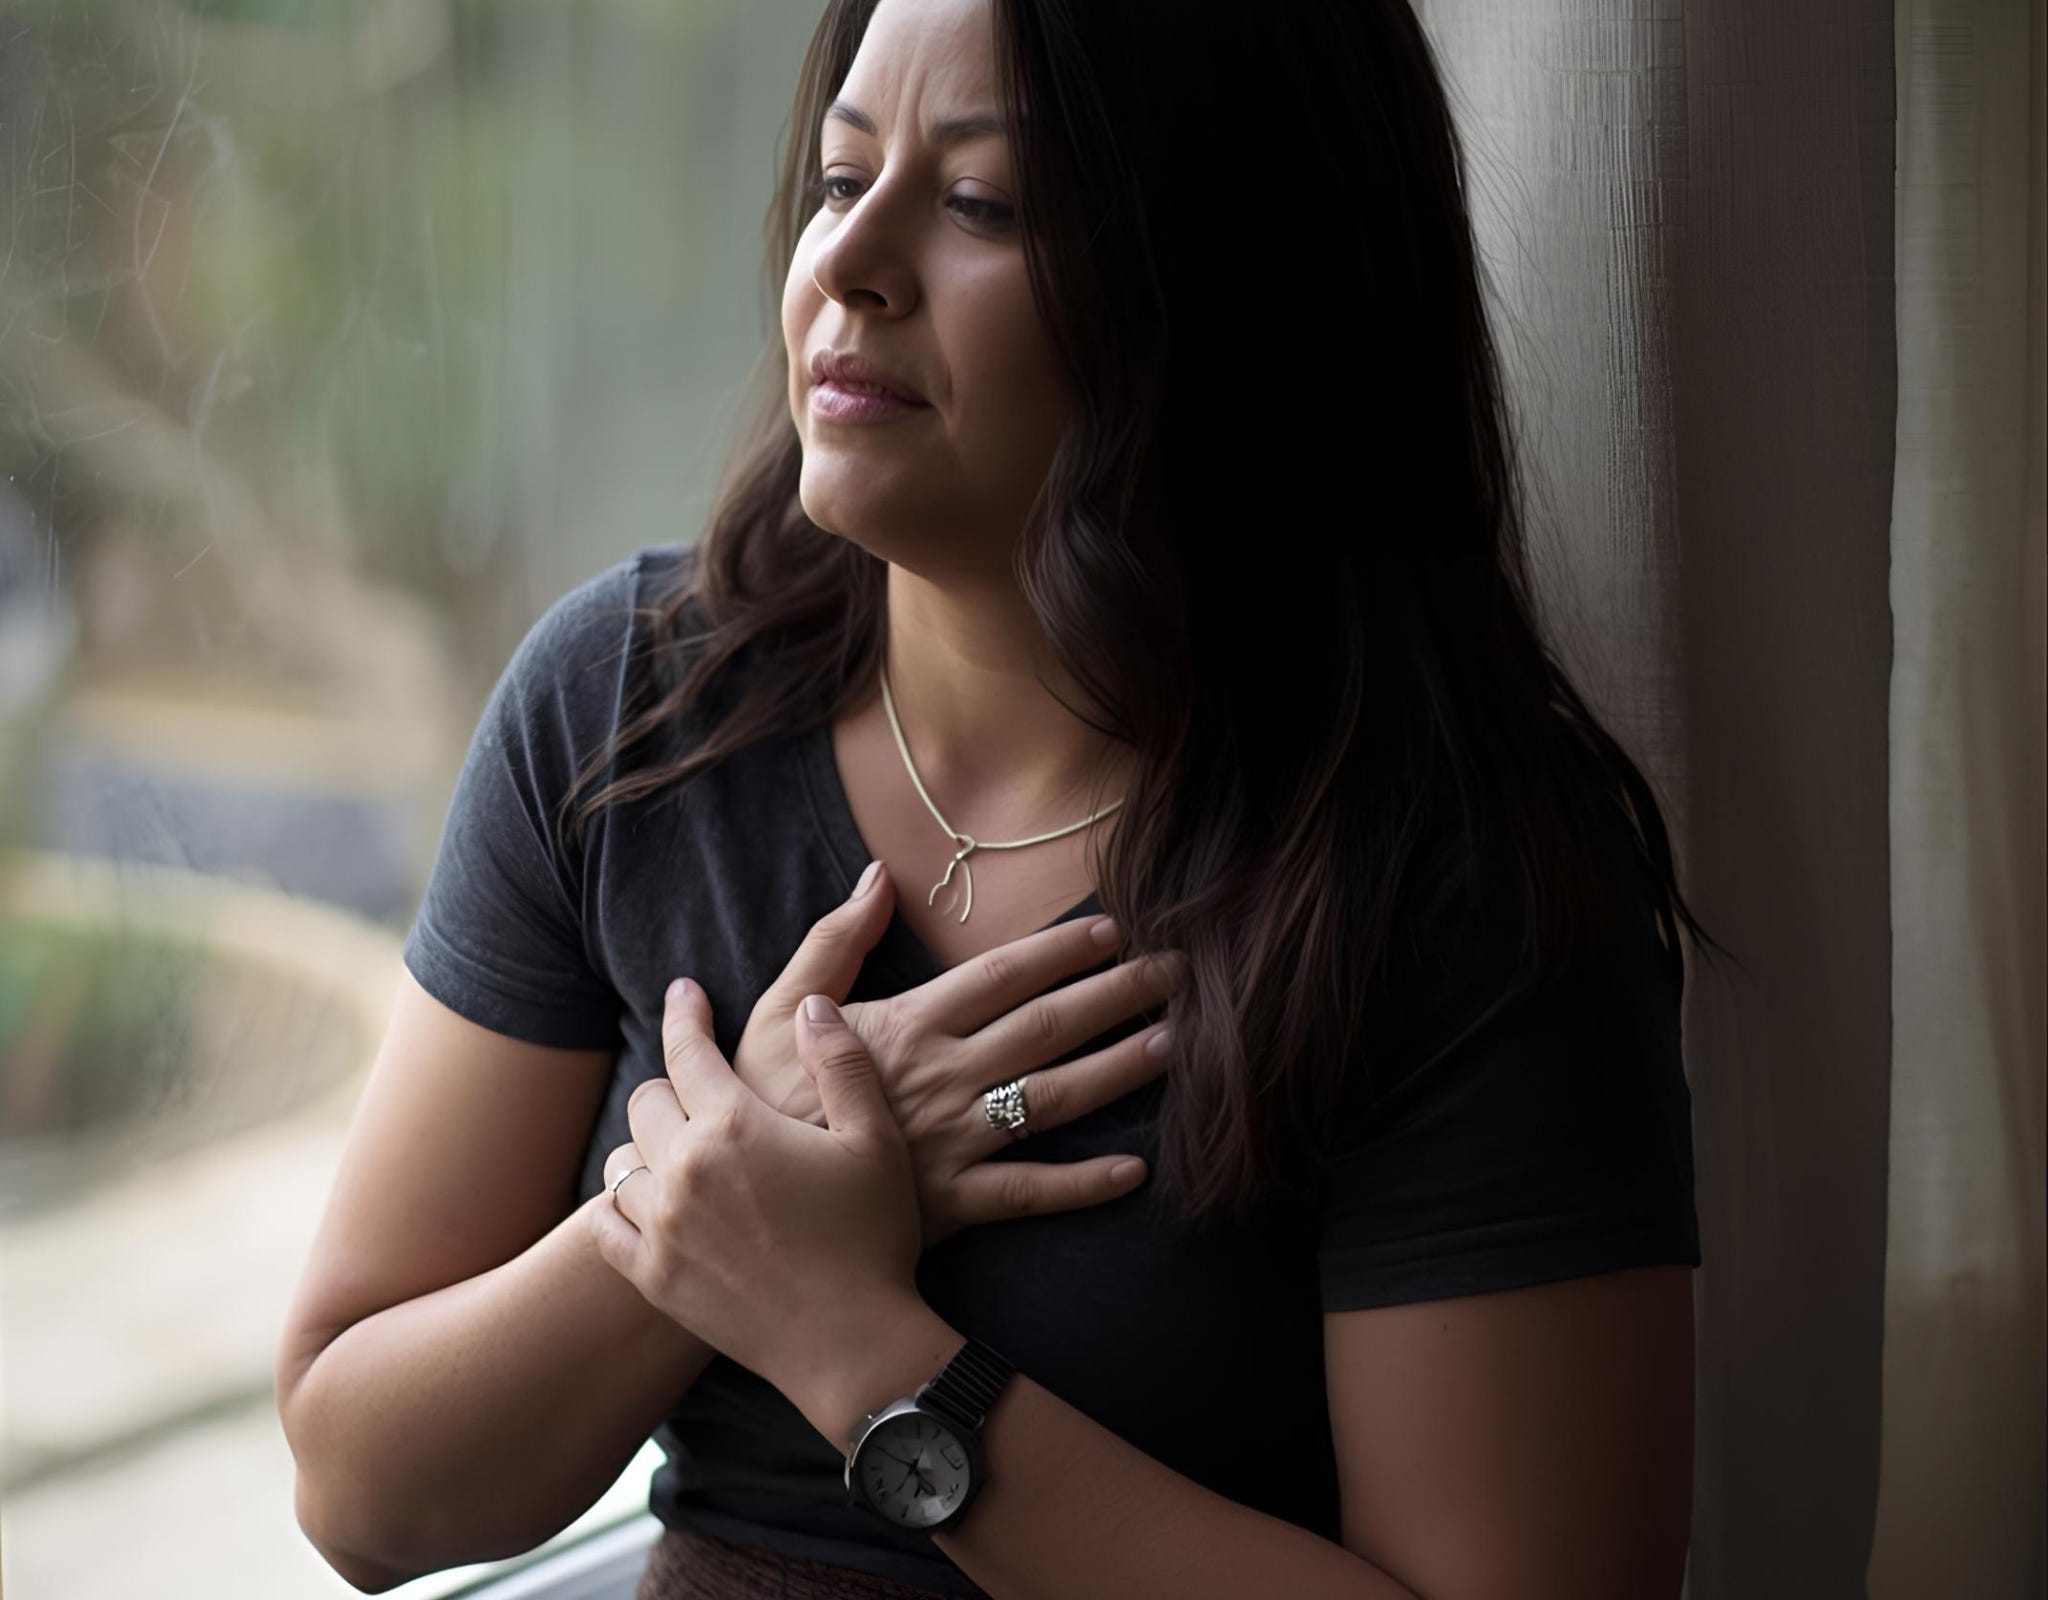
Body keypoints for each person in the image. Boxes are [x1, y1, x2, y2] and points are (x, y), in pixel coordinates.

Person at [275, 1, 1727, 1596]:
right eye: (841, 179)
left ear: (1229, 290)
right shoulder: (630, 708)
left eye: (982, 204)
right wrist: (709, 1206)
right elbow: (361, 1488)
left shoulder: (1449, 879)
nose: (853, 263)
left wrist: (860, 1348)